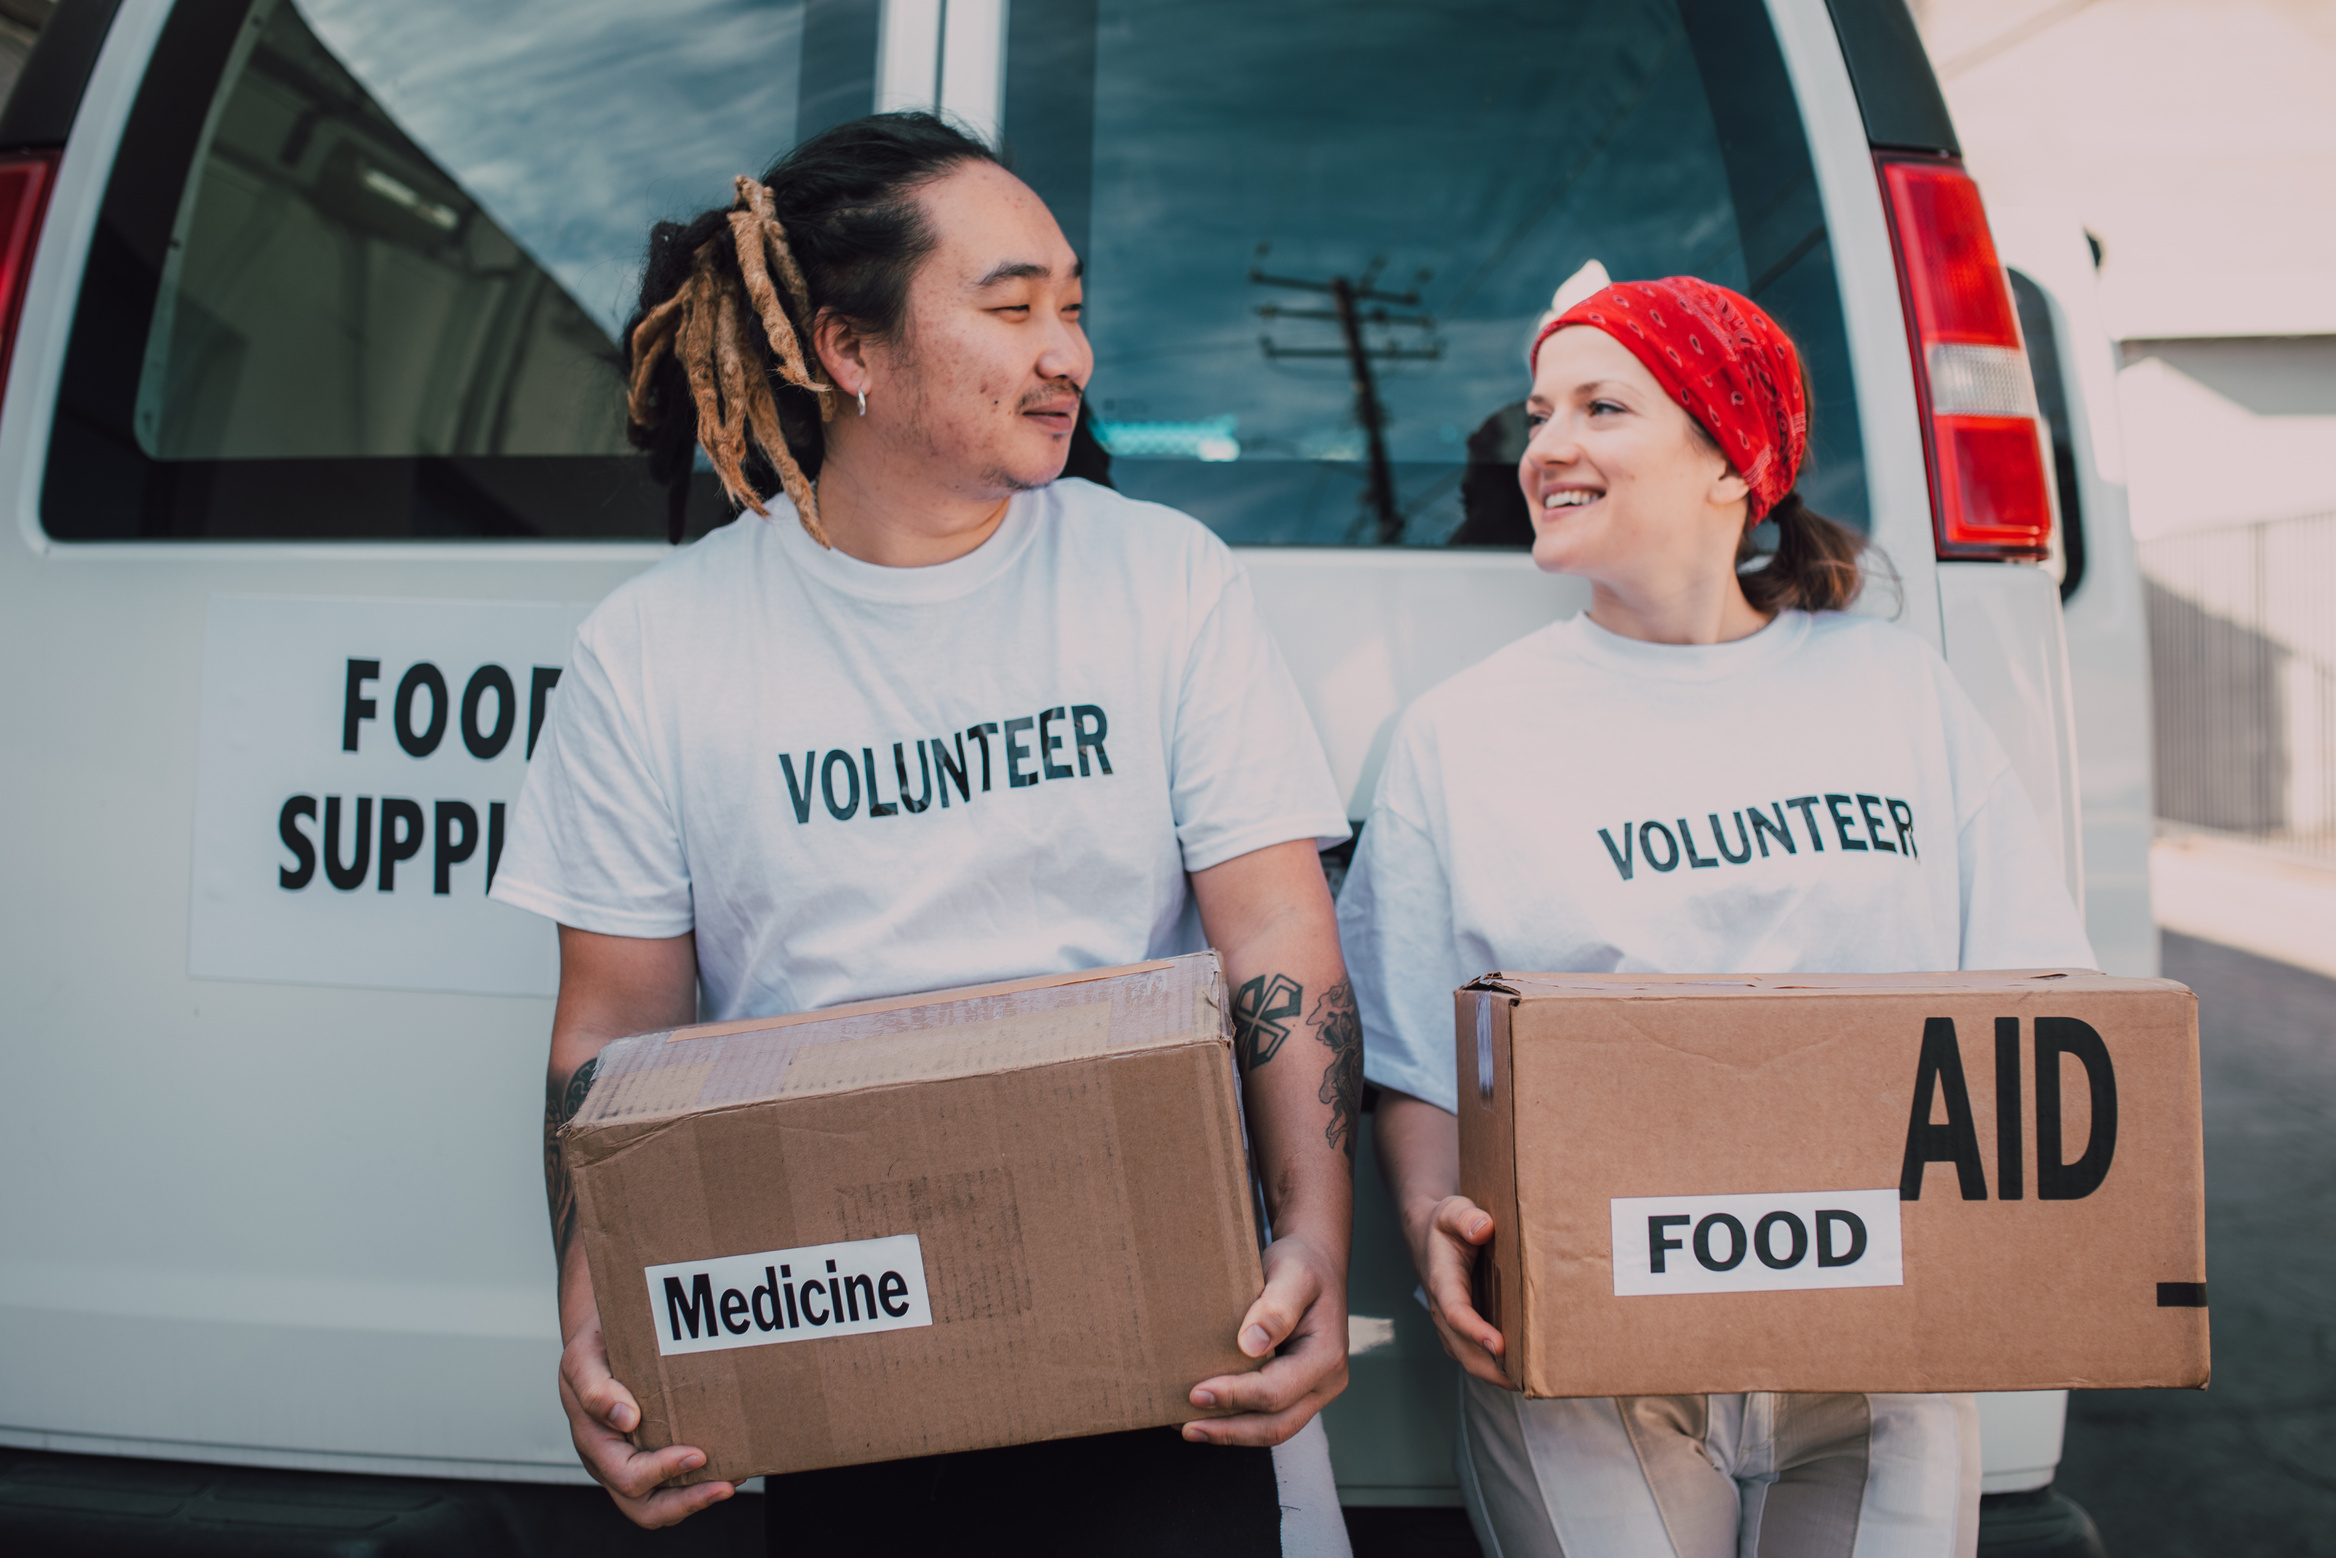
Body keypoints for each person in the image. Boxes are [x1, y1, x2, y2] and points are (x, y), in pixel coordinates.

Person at [494, 113, 1358, 1557]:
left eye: (1072, 309)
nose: (1067, 352)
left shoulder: (1161, 580)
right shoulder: (656, 647)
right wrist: (595, 1317)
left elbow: (1272, 925)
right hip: (833, 1323)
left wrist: (1315, 1239)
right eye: (1013, 308)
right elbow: (613, 1028)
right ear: (849, 350)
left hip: (1160, 1316)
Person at [1339, 275, 2096, 1558]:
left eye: (1600, 406)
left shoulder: (1893, 693)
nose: (1547, 448)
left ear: (1728, 461)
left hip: (1878, 1340)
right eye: (1537, 414)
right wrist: (1427, 1227)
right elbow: (1412, 1055)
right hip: (1589, 1351)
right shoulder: (1459, 735)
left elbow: (2034, 1005)